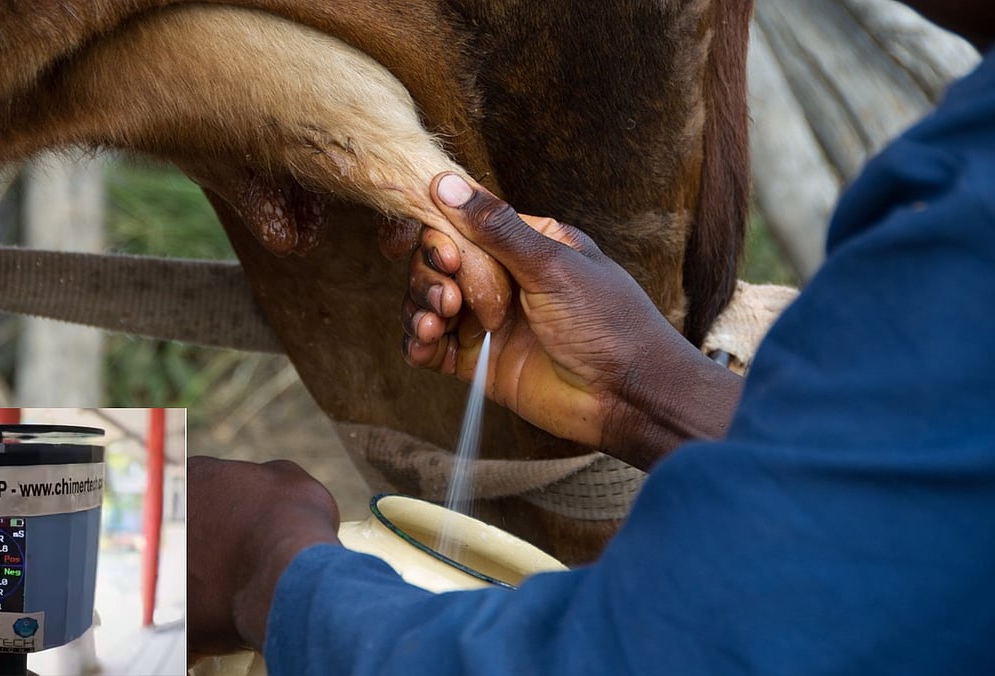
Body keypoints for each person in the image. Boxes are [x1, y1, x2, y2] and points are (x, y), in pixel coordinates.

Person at [189, 3, 995, 673]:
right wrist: (647, 390)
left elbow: (668, 653)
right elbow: (936, 523)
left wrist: (267, 572)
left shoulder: (972, 214)